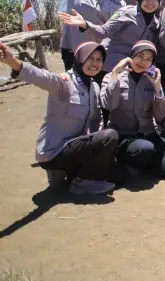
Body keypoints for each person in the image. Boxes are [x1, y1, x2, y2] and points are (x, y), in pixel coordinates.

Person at [0, 41, 118, 195]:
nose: (94, 63)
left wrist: (102, 150)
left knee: (117, 171)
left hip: (75, 146)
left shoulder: (94, 87)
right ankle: (82, 183)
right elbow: (40, 76)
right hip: (54, 151)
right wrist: (12, 61)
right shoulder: (64, 82)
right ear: (79, 58)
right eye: (90, 58)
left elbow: (96, 123)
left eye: (99, 59)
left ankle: (67, 173)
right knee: (110, 136)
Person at [101, 41, 165, 179]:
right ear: (131, 56)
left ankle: (143, 162)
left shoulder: (152, 80)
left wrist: (157, 88)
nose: (143, 62)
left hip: (148, 133)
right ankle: (126, 163)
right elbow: (108, 105)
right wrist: (114, 74)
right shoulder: (112, 77)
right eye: (140, 56)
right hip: (124, 136)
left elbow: (162, 116)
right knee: (144, 149)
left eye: (149, 59)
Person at [59, 0, 161, 74]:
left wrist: (151, 69)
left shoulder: (156, 23)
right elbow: (104, 31)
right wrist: (85, 25)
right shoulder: (127, 12)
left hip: (131, 69)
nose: (150, 2)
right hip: (110, 65)